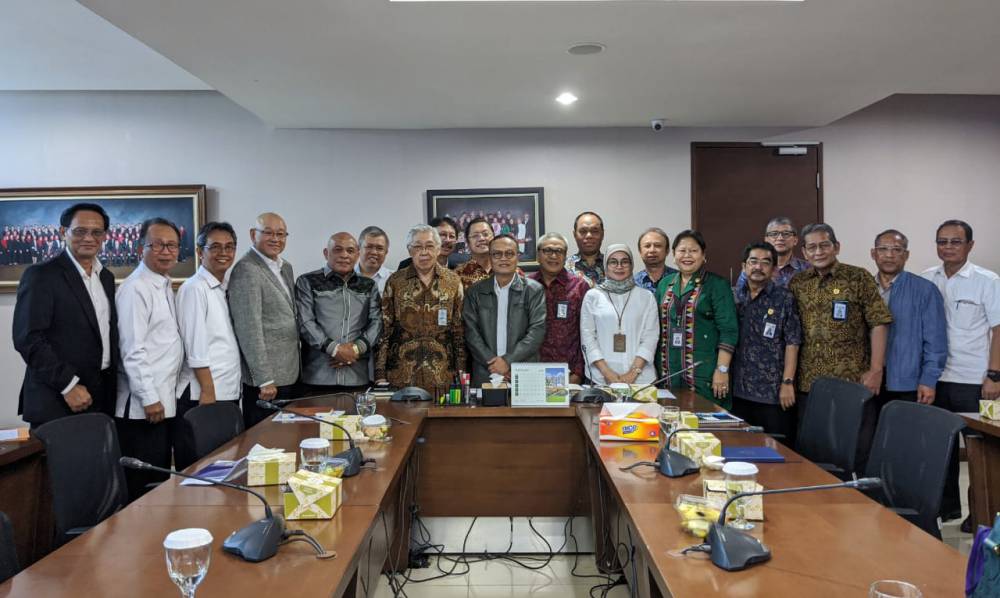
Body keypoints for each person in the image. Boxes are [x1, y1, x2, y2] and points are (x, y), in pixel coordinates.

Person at [790, 223, 892, 468]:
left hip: (853, 382)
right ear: (804, 252)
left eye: (824, 245)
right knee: (813, 451)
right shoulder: (798, 283)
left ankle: (856, 501)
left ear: (836, 247)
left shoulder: (858, 277)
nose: (818, 252)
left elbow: (879, 322)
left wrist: (876, 369)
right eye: (812, 247)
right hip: (809, 384)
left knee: (855, 450)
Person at [922, 219, 1000, 528]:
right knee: (941, 447)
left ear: (970, 245)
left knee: (983, 451)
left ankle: (982, 513)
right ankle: (946, 510)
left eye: (955, 242)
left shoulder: (987, 280)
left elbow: (998, 329)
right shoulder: (928, 279)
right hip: (937, 379)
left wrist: (994, 375)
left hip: (978, 380)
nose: (948, 247)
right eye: (942, 241)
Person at [13, 203, 118, 427]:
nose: (89, 238)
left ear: (105, 236)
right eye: (80, 231)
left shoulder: (106, 277)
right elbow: (28, 338)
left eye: (96, 232)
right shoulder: (41, 275)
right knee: (61, 463)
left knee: (98, 462)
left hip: (100, 395)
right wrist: (68, 385)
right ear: (63, 232)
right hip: (59, 397)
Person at [115, 218, 191, 499]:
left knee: (158, 483)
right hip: (143, 409)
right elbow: (132, 349)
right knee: (142, 488)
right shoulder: (135, 288)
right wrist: (149, 397)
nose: (166, 251)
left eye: (172, 245)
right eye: (157, 244)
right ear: (140, 249)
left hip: (163, 402)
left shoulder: (163, 283)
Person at [228, 212, 299, 428]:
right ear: (253, 234)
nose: (275, 239)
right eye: (268, 233)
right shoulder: (246, 269)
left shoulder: (285, 267)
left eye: (280, 234)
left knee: (288, 440)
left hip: (289, 372)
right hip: (267, 382)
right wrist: (263, 378)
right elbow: (249, 328)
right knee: (265, 442)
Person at [376, 224, 465, 394]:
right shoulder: (395, 281)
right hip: (401, 375)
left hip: (443, 376)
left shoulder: (453, 281)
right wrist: (380, 374)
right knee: (403, 420)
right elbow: (385, 330)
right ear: (410, 250)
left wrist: (461, 372)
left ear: (438, 249)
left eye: (430, 246)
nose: (424, 252)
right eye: (417, 246)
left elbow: (458, 331)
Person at [657, 230, 739, 408]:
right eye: (682, 250)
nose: (687, 256)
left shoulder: (717, 285)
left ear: (703, 255)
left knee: (706, 430)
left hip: (705, 374)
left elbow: (729, 331)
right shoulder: (665, 284)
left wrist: (722, 370)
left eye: (693, 251)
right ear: (673, 255)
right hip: (668, 373)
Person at [730, 242, 803, 442]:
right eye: (753, 261)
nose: (758, 267)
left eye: (765, 262)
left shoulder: (784, 298)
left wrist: (787, 382)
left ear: (774, 269)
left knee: (776, 451)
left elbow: (793, 342)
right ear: (744, 266)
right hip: (737, 390)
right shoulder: (733, 296)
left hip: (772, 393)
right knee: (739, 449)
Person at [869, 229, 947, 410]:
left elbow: (936, 342)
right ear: (873, 253)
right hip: (868, 379)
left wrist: (928, 380)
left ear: (906, 255)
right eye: (883, 249)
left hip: (908, 383)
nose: (889, 255)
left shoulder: (925, 290)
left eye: (897, 249)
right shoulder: (863, 288)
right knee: (868, 435)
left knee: (903, 436)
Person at [296, 232, 382, 394]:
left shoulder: (368, 285)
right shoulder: (307, 281)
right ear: (326, 253)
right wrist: (335, 350)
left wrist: (354, 350)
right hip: (317, 377)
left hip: (357, 377)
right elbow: (305, 322)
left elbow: (376, 322)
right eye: (337, 250)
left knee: (356, 420)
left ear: (357, 254)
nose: (344, 255)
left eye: (350, 251)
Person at [463, 235, 546, 386]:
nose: (503, 258)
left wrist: (507, 361)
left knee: (526, 410)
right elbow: (471, 332)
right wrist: (495, 364)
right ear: (490, 258)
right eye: (497, 254)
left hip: (523, 371)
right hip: (486, 371)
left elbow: (537, 331)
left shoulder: (534, 290)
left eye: (509, 253)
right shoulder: (475, 292)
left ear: (517, 257)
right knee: (484, 409)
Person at [176, 222, 242, 412]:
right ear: (199, 251)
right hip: (203, 393)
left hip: (226, 388)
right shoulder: (194, 288)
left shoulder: (226, 286)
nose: (223, 252)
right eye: (215, 247)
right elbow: (194, 345)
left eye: (229, 247)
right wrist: (207, 389)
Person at [580, 244, 659, 386]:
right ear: (606, 266)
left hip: (641, 380)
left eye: (625, 261)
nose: (619, 266)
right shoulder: (593, 296)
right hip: (600, 379)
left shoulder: (646, 297)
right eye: (613, 262)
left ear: (631, 265)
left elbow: (651, 337)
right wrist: (607, 373)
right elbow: (587, 337)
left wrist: (632, 373)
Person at [528, 233, 591, 384]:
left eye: (559, 251)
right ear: (538, 255)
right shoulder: (526, 285)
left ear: (565, 256)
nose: (553, 256)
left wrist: (578, 372)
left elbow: (587, 333)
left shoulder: (580, 286)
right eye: (548, 250)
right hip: (530, 370)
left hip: (569, 373)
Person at [735, 217, 810, 291]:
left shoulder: (807, 268)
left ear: (795, 240)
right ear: (766, 240)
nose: (780, 238)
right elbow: (740, 296)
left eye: (786, 234)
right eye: (774, 234)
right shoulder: (754, 268)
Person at [455, 217, 495, 289]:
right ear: (468, 242)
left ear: (494, 237)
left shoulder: (508, 269)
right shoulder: (456, 276)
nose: (481, 239)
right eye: (475, 236)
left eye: (485, 234)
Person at [566, 212, 606, 285]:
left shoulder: (613, 266)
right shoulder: (564, 268)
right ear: (575, 235)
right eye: (583, 231)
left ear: (602, 234)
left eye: (594, 231)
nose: (589, 236)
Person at [634, 227, 677, 293]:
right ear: (640, 251)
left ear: (667, 251)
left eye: (658, 245)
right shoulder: (633, 284)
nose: (652, 250)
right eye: (647, 246)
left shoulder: (679, 279)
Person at [355, 225, 393, 294]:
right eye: (369, 247)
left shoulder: (394, 279)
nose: (374, 252)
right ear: (358, 249)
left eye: (379, 248)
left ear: (386, 252)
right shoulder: (345, 276)